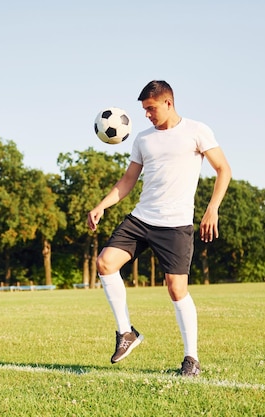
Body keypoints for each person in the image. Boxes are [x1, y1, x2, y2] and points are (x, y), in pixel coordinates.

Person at [87, 80, 232, 376]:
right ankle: (126, 333)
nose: (147, 115)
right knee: (105, 262)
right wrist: (102, 205)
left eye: (151, 108)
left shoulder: (197, 131)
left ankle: (191, 360)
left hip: (176, 225)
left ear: (168, 102)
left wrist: (212, 208)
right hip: (141, 219)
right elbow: (128, 181)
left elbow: (223, 170)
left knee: (177, 289)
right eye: (144, 110)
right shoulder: (142, 139)